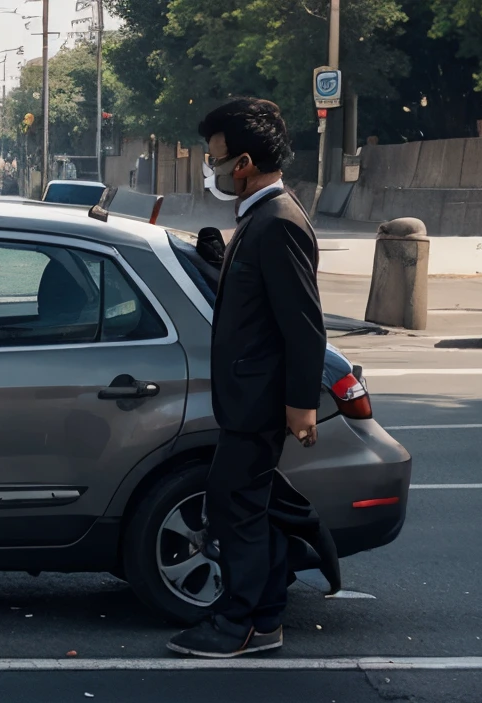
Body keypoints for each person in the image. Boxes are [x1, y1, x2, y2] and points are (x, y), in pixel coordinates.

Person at [168, 97, 327, 661]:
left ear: (244, 163)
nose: (209, 169)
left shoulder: (277, 221)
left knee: (236, 510)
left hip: (259, 400)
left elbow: (304, 325)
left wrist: (300, 405)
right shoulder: (260, 217)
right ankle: (262, 617)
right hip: (249, 396)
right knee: (244, 507)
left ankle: (241, 622)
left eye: (215, 158)